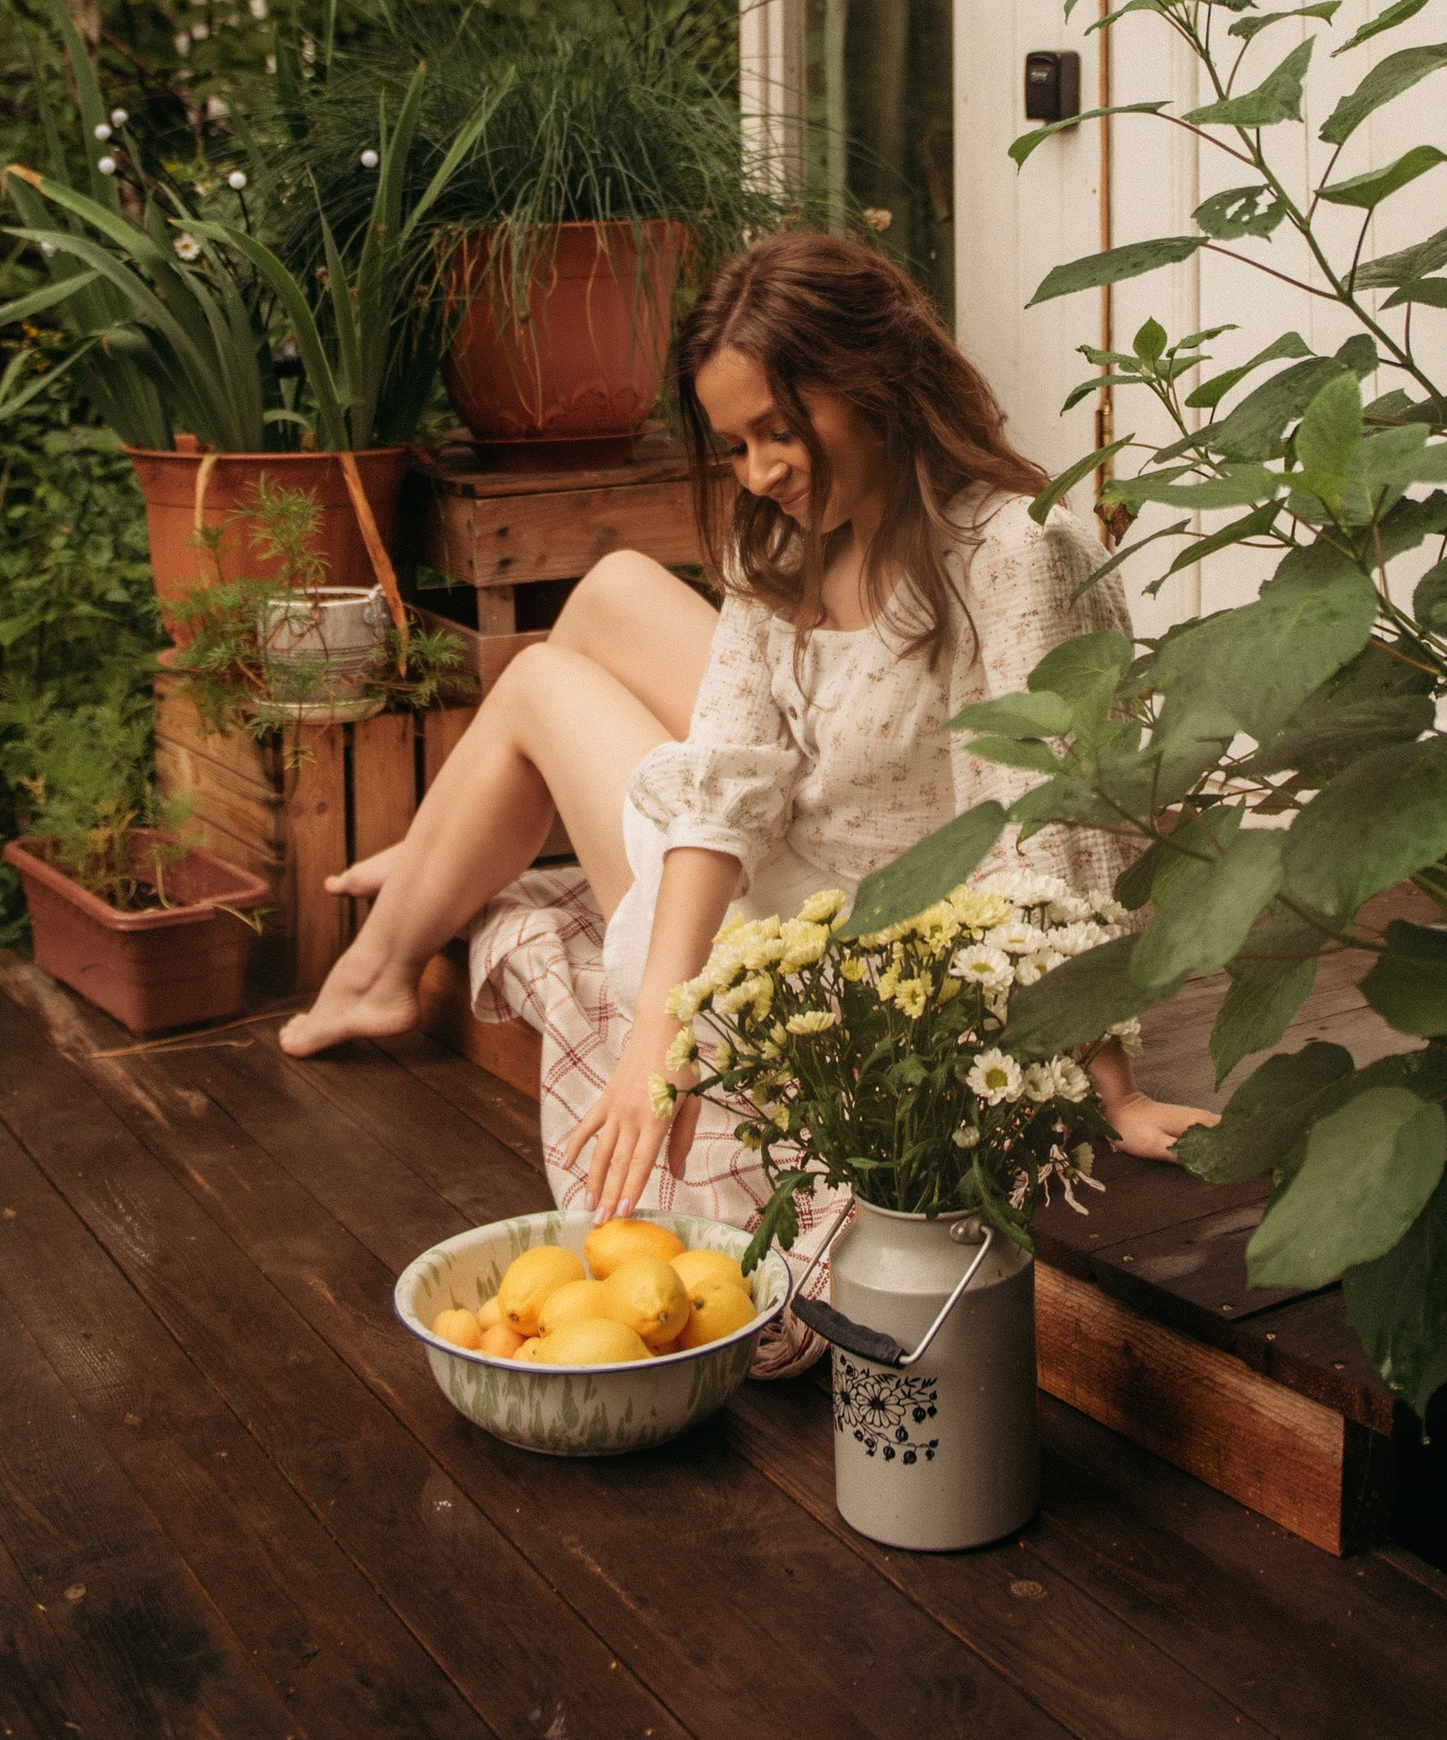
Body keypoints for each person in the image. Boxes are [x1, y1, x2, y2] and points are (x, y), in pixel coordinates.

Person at [280, 227, 1216, 1220]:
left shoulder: (1021, 551)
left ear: (874, 379)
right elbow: (727, 781)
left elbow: (1065, 837)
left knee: (541, 681)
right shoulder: (786, 541)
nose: (761, 469)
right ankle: (438, 851)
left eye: (779, 428)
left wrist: (1112, 1092)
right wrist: (656, 1027)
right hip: (785, 858)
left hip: (860, 965)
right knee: (607, 590)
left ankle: (383, 955)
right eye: (735, 446)